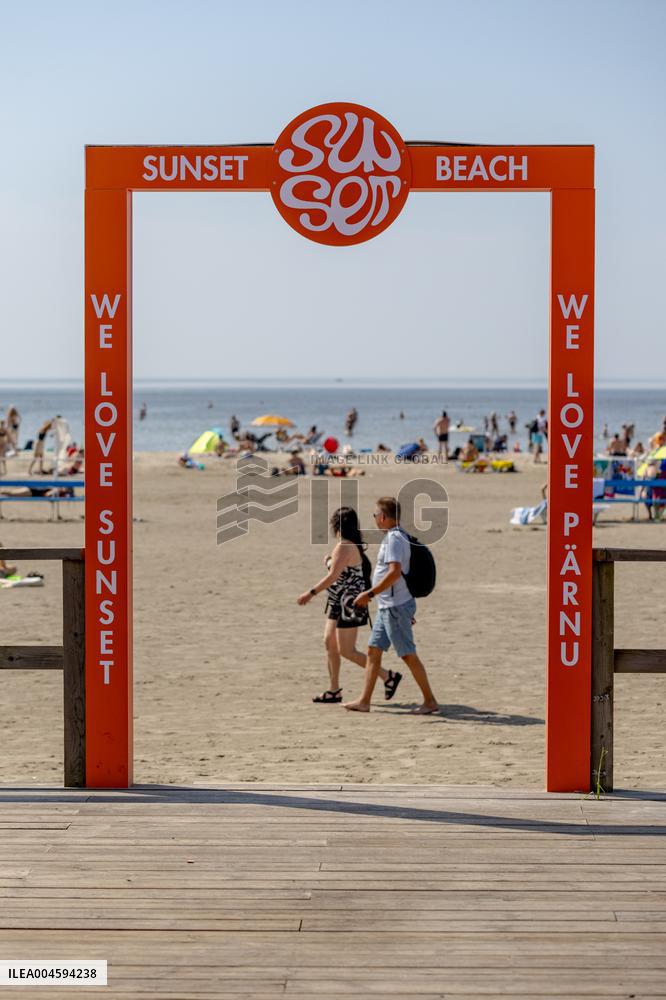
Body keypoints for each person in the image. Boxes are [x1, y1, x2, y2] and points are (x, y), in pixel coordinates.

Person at [297, 506, 401, 705]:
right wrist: (329, 560)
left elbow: (333, 576)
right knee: (329, 643)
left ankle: (388, 676)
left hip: (349, 603)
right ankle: (334, 689)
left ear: (337, 525)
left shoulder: (344, 546)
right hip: (337, 601)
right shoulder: (347, 545)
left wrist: (310, 593)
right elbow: (340, 570)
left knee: (347, 651)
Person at [344, 497, 438, 715]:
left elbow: (394, 572)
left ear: (383, 516)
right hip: (389, 606)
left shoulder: (395, 539)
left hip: (395, 607)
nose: (375, 519)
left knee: (407, 654)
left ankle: (430, 700)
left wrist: (369, 593)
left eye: (375, 515)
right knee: (373, 651)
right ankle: (364, 701)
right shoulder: (394, 537)